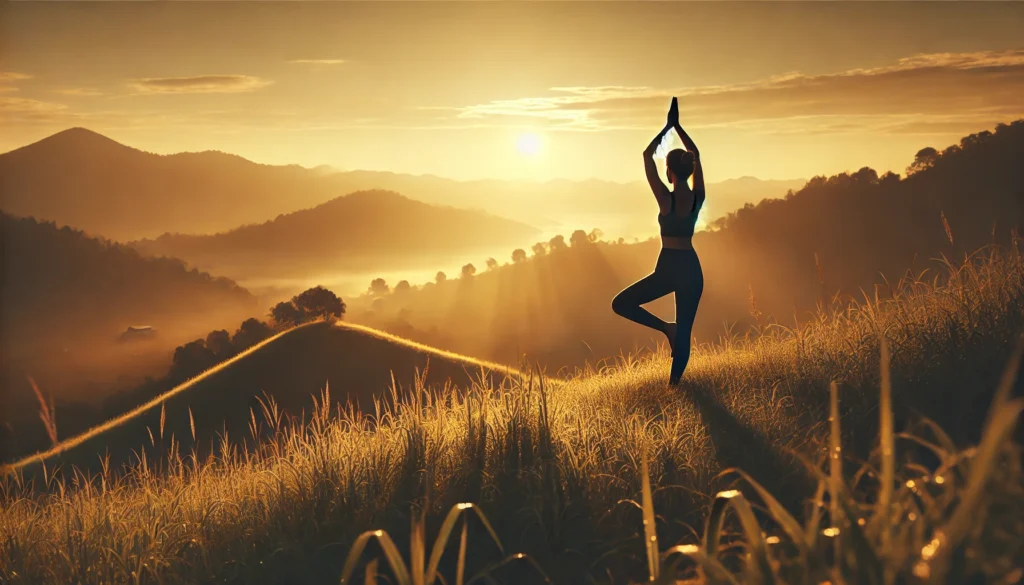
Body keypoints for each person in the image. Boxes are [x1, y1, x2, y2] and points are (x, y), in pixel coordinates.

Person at [612, 97, 704, 385]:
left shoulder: (666, 199)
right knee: (685, 331)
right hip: (690, 266)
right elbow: (696, 154)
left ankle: (667, 329)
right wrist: (679, 128)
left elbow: (645, 155)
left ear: (670, 171)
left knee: (622, 304)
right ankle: (674, 386)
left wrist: (668, 127)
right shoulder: (697, 198)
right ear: (688, 169)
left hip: (669, 267)